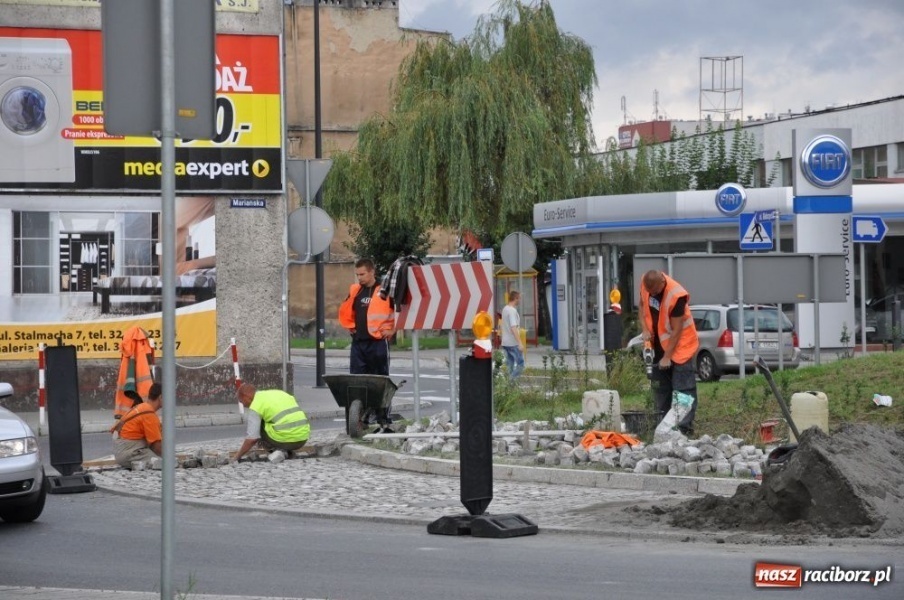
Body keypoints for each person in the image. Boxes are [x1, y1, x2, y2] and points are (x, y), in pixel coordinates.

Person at [639, 270, 700, 435]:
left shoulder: (676, 295)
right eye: (650, 292)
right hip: (658, 347)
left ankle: (683, 430)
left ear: (662, 283)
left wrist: (667, 357)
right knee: (661, 390)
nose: (653, 295)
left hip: (681, 346)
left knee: (683, 390)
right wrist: (645, 329)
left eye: (656, 292)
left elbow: (677, 329)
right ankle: (663, 429)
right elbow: (642, 306)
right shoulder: (646, 284)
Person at [338, 258, 395, 431]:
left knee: (380, 381)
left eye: (362, 274)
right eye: (357, 275)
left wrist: (393, 331)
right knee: (356, 382)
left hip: (377, 343)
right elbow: (348, 310)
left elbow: (401, 311)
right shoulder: (356, 291)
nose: (359, 278)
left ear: (372, 272)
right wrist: (351, 326)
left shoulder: (384, 291)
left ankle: (382, 419)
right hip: (359, 344)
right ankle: (357, 421)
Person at [231, 384, 310, 462]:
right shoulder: (279, 393)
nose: (243, 405)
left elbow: (252, 438)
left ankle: (278, 452)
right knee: (271, 420)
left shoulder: (256, 405)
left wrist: (236, 457)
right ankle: (288, 452)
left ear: (246, 396)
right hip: (303, 438)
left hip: (287, 441)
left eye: (241, 401)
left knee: (260, 425)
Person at [111, 381, 163, 468]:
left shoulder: (142, 407)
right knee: (160, 463)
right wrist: (170, 459)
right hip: (130, 452)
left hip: (122, 449)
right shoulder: (149, 414)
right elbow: (156, 447)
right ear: (161, 397)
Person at [500, 290, 525, 379]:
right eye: (519, 299)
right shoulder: (512, 311)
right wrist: (520, 343)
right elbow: (513, 327)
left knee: (509, 365)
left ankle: (507, 387)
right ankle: (511, 383)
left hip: (505, 342)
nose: (520, 301)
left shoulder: (505, 309)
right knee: (521, 364)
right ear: (515, 298)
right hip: (513, 343)